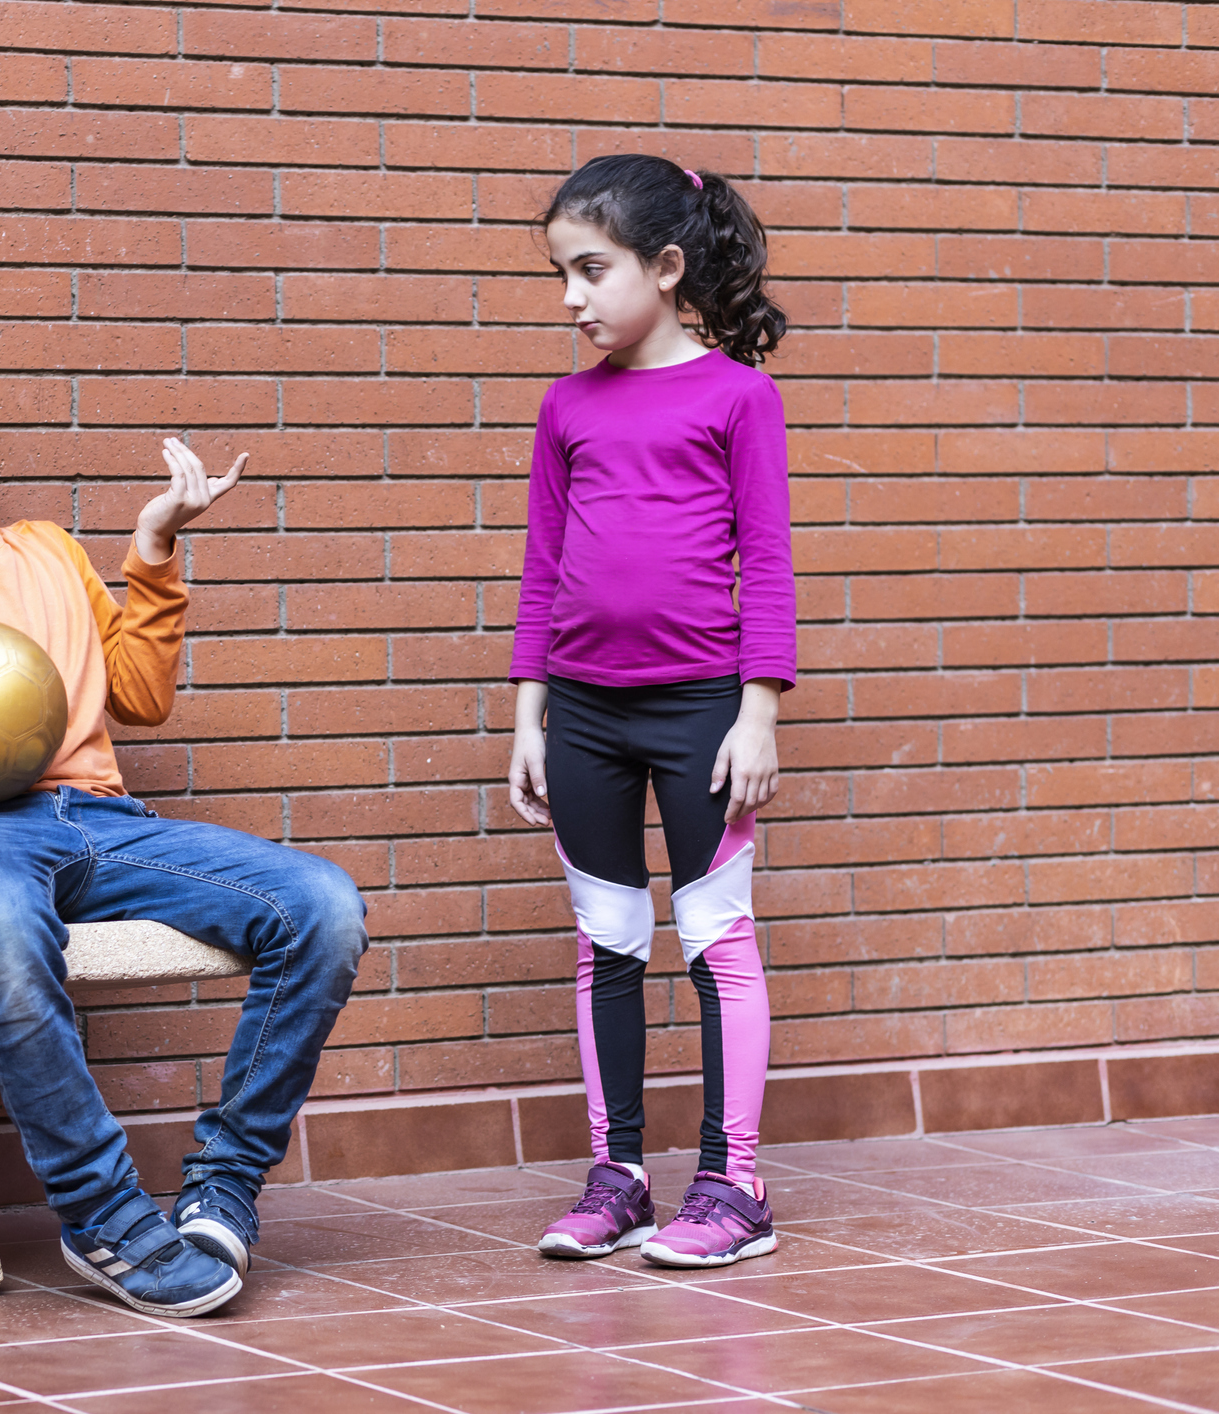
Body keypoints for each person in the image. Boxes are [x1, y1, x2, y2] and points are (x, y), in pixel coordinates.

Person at [0, 363, 367, 1317]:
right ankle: (104, 1215)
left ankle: (221, 1188)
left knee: (320, 906)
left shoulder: (53, 551)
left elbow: (140, 697)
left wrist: (152, 548)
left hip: (99, 822)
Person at [506, 155, 796, 1269]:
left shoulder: (737, 395)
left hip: (699, 715)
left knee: (714, 938)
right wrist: (529, 714)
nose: (570, 297)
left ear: (667, 268)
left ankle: (734, 1184)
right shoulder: (566, 405)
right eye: (559, 274)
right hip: (581, 712)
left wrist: (757, 710)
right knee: (607, 940)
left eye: (589, 270)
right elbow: (543, 568)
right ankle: (618, 1175)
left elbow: (766, 561)